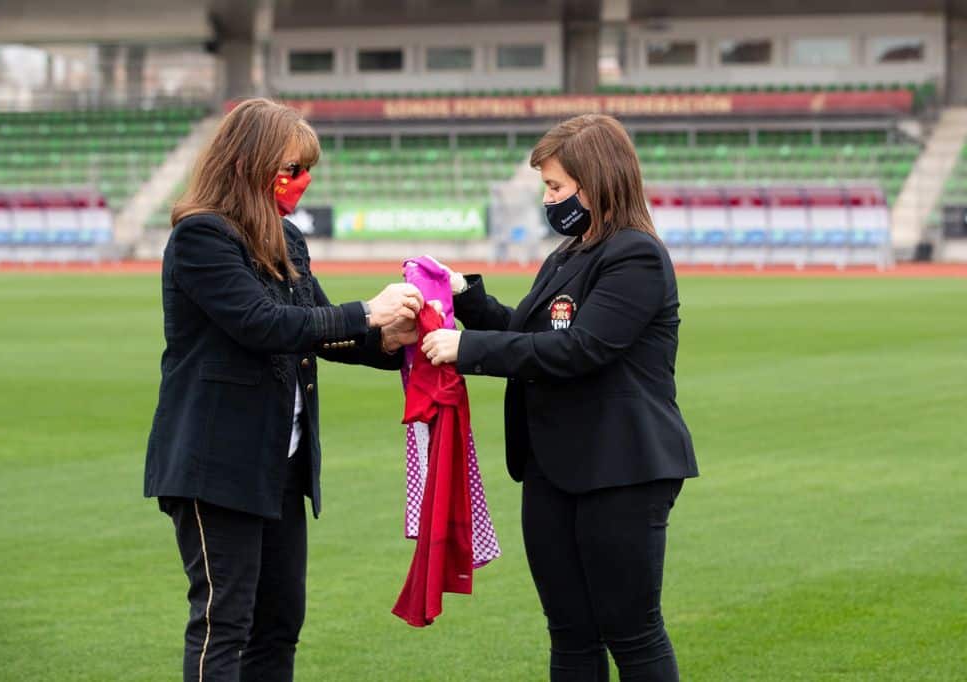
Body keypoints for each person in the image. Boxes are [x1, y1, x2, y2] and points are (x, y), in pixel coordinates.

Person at [143, 98, 423, 682]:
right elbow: (264, 325)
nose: (303, 181)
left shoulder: (285, 239)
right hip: (217, 463)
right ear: (250, 163)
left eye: (306, 169)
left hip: (279, 465)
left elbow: (318, 328)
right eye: (292, 168)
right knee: (225, 625)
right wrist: (367, 312)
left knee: (278, 625)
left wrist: (395, 339)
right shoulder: (202, 236)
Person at [420, 114, 699, 681]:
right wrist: (463, 295)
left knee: (632, 630)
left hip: (621, 469)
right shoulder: (568, 254)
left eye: (556, 187)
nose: (549, 200)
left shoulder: (635, 255)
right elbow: (527, 332)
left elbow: (581, 350)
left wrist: (465, 348)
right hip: (553, 469)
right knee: (569, 632)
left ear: (595, 184)